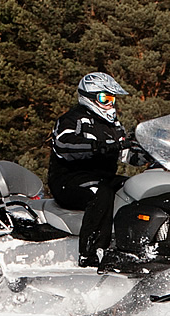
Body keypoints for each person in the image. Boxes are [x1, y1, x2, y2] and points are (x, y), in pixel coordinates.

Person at [48, 72, 141, 267]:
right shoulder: (73, 119)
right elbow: (64, 145)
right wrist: (98, 146)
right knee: (100, 193)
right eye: (104, 98)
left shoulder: (113, 125)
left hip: (103, 177)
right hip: (69, 180)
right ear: (89, 98)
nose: (110, 103)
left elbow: (126, 154)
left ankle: (137, 245)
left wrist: (151, 155)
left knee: (135, 187)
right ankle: (92, 253)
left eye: (112, 98)